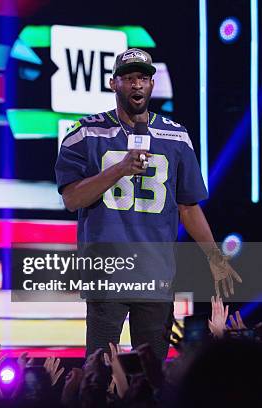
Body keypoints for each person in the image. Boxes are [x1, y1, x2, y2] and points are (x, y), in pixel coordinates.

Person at [55, 48, 241, 359]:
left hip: (156, 273)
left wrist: (214, 257)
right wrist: (120, 168)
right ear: (114, 83)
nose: (137, 85)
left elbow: (188, 207)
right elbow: (72, 199)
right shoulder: (85, 133)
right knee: (100, 369)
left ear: (152, 84)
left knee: (153, 372)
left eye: (143, 78)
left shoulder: (176, 137)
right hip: (107, 271)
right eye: (128, 78)